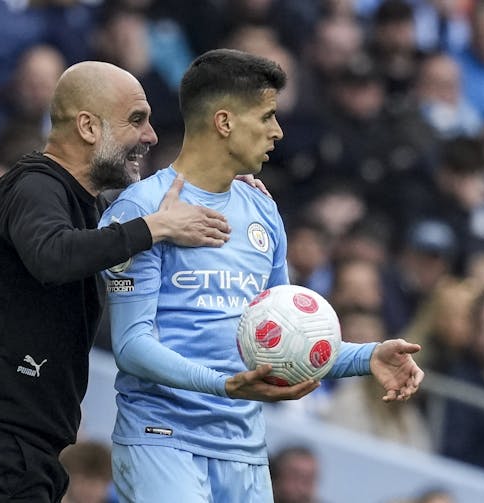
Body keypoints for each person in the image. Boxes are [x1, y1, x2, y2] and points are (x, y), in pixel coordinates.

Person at [99, 48, 425, 503]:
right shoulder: (143, 210)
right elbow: (132, 347)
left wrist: (367, 357)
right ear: (225, 122)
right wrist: (224, 385)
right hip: (162, 439)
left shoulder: (262, 211)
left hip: (245, 449)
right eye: (268, 116)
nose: (278, 131)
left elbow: (284, 337)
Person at [0, 60, 235, 502]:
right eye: (137, 120)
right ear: (88, 127)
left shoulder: (87, 206)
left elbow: (139, 217)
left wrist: (228, 192)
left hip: (28, 454)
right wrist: (156, 228)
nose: (150, 136)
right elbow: (55, 255)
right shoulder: (34, 185)